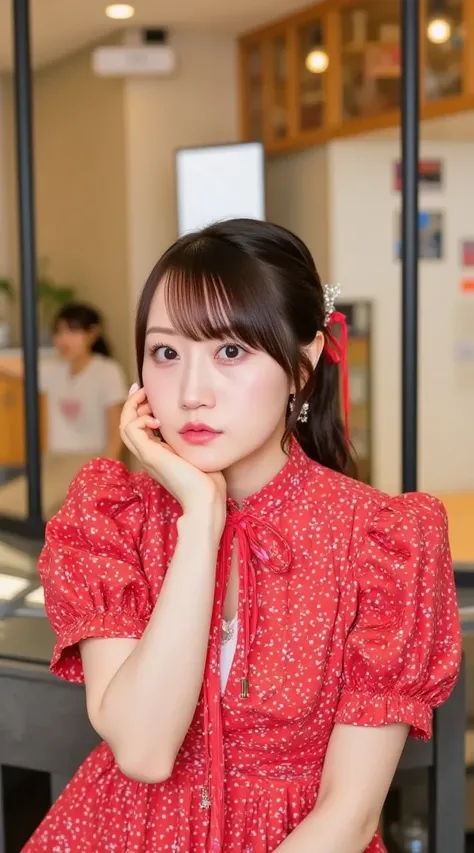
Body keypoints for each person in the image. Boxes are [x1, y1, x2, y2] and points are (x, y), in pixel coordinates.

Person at [23, 220, 461, 853]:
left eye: (230, 352)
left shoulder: (380, 541)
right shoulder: (114, 518)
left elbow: (350, 814)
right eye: (167, 353)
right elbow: (144, 751)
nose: (191, 393)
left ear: (302, 366)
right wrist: (201, 519)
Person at [40, 303, 127, 460]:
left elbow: (117, 432)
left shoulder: (107, 371)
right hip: (55, 460)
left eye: (72, 331)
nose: (63, 339)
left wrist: (105, 471)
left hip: (94, 461)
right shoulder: (53, 370)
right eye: (58, 332)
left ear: (92, 334)